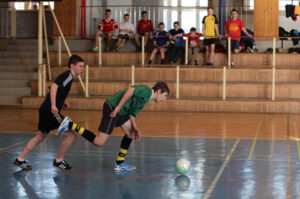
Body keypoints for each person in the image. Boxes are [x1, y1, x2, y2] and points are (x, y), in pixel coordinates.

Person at [57, 82, 170, 171]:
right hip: (113, 107)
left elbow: (131, 114)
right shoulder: (146, 91)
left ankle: (119, 164)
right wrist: (117, 108)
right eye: (164, 96)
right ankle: (70, 124)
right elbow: (131, 90)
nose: (164, 99)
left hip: (122, 112)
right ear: (159, 91)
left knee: (131, 133)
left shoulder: (146, 99)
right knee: (99, 142)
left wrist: (135, 128)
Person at [13, 55, 85, 170]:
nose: (82, 69)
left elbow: (50, 88)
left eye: (83, 66)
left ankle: (20, 159)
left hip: (45, 109)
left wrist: (62, 102)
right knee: (71, 134)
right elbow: (54, 87)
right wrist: (53, 105)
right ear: (72, 66)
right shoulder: (68, 76)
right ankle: (58, 160)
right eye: (80, 66)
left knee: (40, 136)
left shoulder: (68, 77)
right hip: (51, 111)